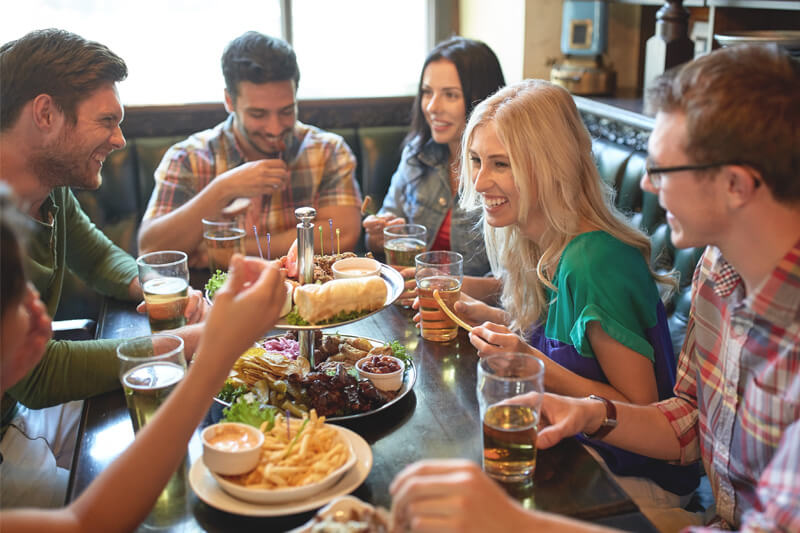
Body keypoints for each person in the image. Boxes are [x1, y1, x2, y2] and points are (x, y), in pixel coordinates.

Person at [392, 43, 800, 532]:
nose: (647, 187)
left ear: (736, 185)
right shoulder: (718, 271)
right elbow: (689, 422)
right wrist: (587, 414)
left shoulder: (597, 257)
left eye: (662, 170)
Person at [452, 78, 698, 509]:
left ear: (549, 167)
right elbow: (564, 342)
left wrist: (530, 360)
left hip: (635, 479)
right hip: (576, 450)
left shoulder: (594, 260)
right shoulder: (539, 236)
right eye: (476, 160)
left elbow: (640, 407)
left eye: (501, 164)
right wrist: (478, 307)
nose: (480, 180)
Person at [0, 188, 287, 531]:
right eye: (16, 291)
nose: (39, 306)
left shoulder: (50, 197)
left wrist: (162, 292)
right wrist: (215, 347)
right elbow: (90, 522)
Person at [0, 29, 205, 506]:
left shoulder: (47, 187)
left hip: (22, 411)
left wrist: (155, 287)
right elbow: (35, 375)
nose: (119, 139)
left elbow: (97, 256)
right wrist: (184, 343)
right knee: (149, 503)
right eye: (107, 121)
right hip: (12, 421)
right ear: (46, 113)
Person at [138, 31, 362, 265]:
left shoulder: (328, 150)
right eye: (258, 114)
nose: (275, 128)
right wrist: (223, 188)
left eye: (286, 111)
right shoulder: (189, 157)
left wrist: (229, 251)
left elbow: (342, 233)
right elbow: (151, 250)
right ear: (229, 102)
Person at [362, 36, 505, 301]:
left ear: (482, 98)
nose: (432, 107)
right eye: (427, 92)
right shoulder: (417, 155)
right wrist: (377, 234)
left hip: (480, 319)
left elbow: (517, 285)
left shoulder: (507, 169)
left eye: (450, 95)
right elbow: (381, 235)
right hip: (413, 306)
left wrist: (445, 284)